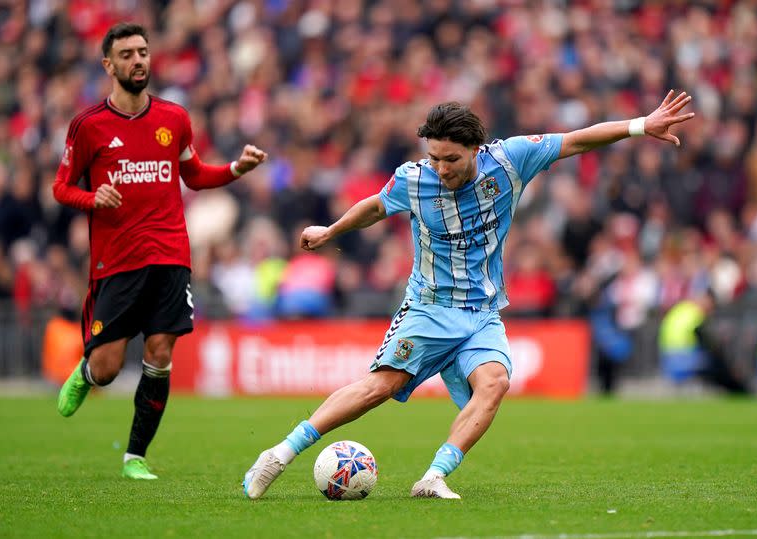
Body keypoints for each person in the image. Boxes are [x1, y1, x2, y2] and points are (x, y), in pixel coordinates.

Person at [243, 90, 694, 499]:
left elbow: (577, 140)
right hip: (428, 307)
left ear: (475, 150)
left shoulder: (511, 160)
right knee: (380, 387)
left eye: (451, 159)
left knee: (495, 382)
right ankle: (279, 455)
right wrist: (332, 230)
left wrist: (640, 125)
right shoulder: (414, 179)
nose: (441, 168)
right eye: (435, 157)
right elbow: (377, 206)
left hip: (482, 313)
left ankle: (434, 477)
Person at [53, 22, 267, 480]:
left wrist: (235, 167)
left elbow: (195, 175)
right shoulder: (88, 126)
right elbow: (60, 188)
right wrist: (94, 199)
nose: (138, 61)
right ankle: (87, 375)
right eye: (127, 54)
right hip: (117, 260)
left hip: (171, 252)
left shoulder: (174, 118)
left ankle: (135, 456)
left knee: (160, 350)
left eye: (144, 52)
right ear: (108, 64)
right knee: (108, 367)